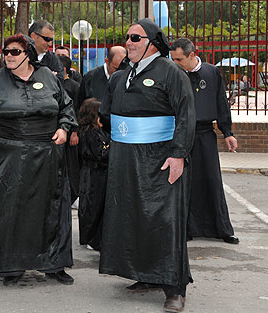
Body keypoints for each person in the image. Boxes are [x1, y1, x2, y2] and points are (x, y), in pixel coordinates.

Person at [99, 19, 195, 313]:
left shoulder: (172, 73)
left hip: (160, 158)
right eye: (127, 37)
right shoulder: (119, 77)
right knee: (133, 216)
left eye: (135, 38)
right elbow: (105, 114)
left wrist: (178, 155)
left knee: (166, 221)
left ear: (152, 43)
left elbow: (186, 115)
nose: (128, 42)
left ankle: (174, 287)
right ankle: (145, 274)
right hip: (125, 159)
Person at [0, 33, 77, 286]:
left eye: (14, 52)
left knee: (51, 209)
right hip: (8, 156)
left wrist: (63, 127)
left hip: (47, 156)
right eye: (5, 52)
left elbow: (66, 107)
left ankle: (54, 263)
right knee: (9, 210)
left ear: (27, 53)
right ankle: (11, 264)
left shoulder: (49, 77)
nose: (8, 56)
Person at [170, 38, 239, 245]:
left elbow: (221, 103)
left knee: (212, 180)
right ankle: (186, 228)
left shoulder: (211, 72)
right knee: (183, 182)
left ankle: (222, 229)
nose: (175, 63)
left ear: (192, 55)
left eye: (179, 59)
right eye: (173, 59)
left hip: (205, 133)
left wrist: (228, 132)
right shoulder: (174, 74)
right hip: (181, 134)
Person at [76, 98, 108, 251]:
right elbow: (100, 154)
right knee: (93, 206)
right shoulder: (91, 132)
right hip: (94, 174)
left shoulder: (89, 131)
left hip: (93, 173)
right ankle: (92, 239)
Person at [58, 54, 81, 203]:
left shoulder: (74, 86)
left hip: (70, 133)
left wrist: (75, 132)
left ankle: (73, 192)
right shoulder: (52, 84)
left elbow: (77, 110)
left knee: (71, 164)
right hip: (56, 132)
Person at [76, 45, 126, 111]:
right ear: (107, 61)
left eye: (122, 68)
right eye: (115, 68)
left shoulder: (127, 76)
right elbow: (80, 105)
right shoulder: (90, 78)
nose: (118, 72)